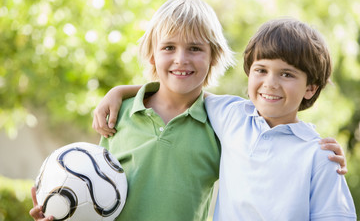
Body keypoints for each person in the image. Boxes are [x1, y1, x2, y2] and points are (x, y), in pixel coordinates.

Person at [92, 18, 355, 220]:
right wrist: (118, 92)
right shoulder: (232, 116)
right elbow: (178, 89)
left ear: (311, 88)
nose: (270, 84)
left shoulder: (320, 156)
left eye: (287, 74)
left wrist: (323, 153)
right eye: (261, 70)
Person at [30, 0, 235, 221]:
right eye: (168, 47)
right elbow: (95, 197)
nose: (181, 59)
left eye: (194, 48)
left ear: (214, 57)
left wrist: (119, 89)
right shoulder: (119, 114)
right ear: (152, 56)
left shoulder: (220, 125)